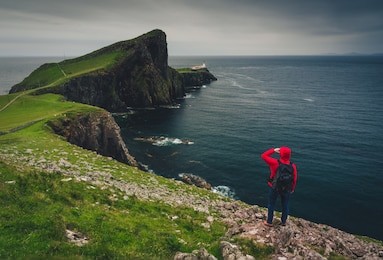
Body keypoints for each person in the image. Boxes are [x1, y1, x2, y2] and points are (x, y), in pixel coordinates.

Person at [261, 147, 298, 227]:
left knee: (271, 204)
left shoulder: (274, 163)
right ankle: (283, 222)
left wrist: (273, 150)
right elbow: (294, 179)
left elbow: (263, 155)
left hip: (274, 187)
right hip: (287, 188)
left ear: (280, 154)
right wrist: (292, 188)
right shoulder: (293, 166)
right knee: (285, 205)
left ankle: (269, 222)